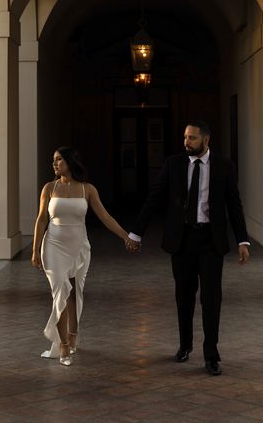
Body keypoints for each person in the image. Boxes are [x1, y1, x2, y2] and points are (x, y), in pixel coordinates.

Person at [128, 119, 250, 376]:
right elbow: (155, 198)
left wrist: (243, 240)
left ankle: (211, 355)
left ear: (206, 140)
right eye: (185, 137)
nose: (186, 142)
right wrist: (136, 232)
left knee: (211, 299)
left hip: (210, 240)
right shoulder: (174, 164)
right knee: (183, 296)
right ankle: (185, 345)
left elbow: (234, 204)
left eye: (192, 138)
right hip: (182, 241)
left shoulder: (224, 166)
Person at [32, 146, 137, 366]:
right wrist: (35, 250)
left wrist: (125, 236)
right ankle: (62, 346)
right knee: (59, 292)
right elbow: (42, 219)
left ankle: (73, 335)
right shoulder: (49, 188)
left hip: (79, 246)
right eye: (53, 160)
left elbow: (105, 217)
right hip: (53, 245)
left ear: (70, 162)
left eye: (59, 159)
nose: (54, 163)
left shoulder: (87, 190)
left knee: (75, 293)